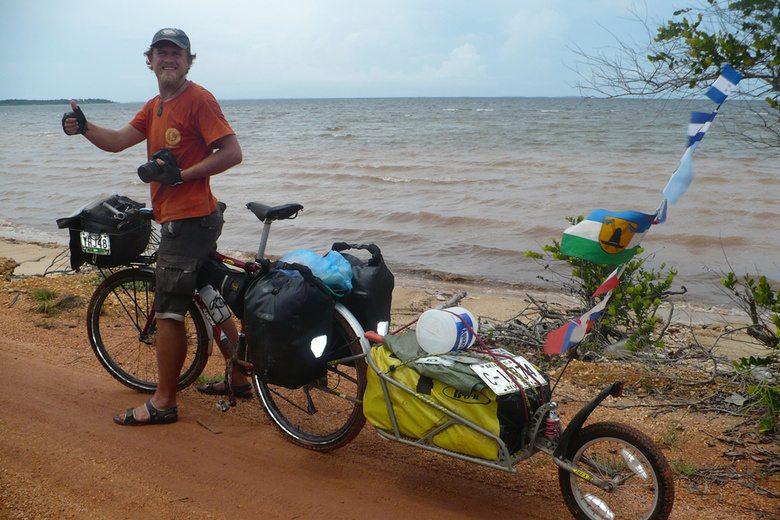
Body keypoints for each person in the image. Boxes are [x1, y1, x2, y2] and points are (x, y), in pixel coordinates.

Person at [63, 28, 248, 425]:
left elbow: (231, 152)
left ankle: (164, 402)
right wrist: (84, 126)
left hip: (190, 220)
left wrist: (182, 176)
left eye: (176, 53)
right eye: (161, 53)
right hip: (186, 219)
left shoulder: (199, 99)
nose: (168, 59)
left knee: (168, 311)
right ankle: (240, 370)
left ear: (188, 61)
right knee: (206, 290)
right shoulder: (154, 107)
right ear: (150, 60)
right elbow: (116, 141)